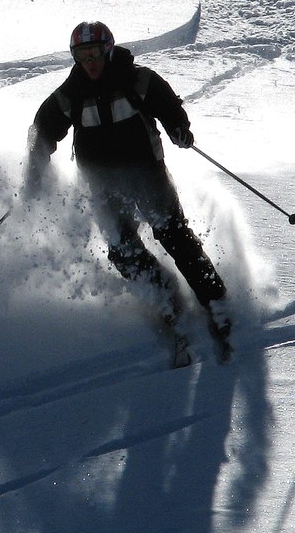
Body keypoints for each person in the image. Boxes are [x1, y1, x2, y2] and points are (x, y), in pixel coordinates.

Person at [22, 20, 231, 344]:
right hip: (103, 184)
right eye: (82, 56)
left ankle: (215, 301)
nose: (89, 62)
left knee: (173, 234)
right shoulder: (70, 96)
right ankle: (165, 299)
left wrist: (179, 129)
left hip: (147, 174)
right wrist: (34, 171)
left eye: (93, 53)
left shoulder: (136, 80)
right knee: (122, 249)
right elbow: (43, 130)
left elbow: (168, 105)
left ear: (107, 50)